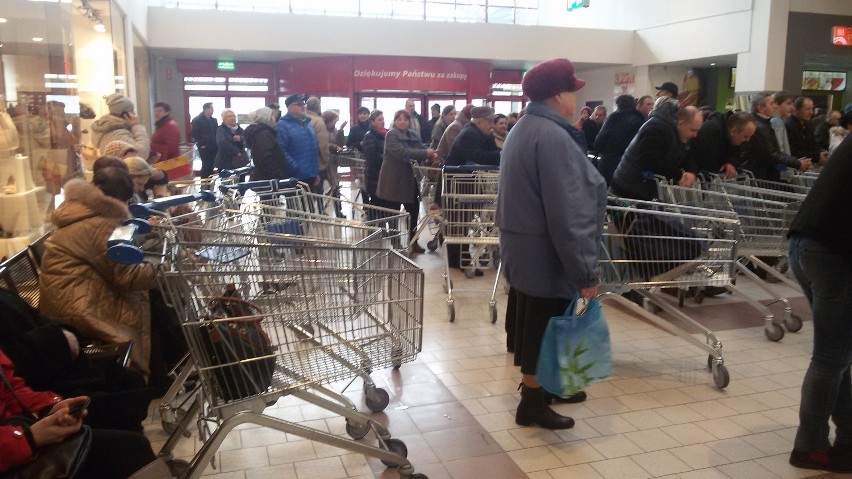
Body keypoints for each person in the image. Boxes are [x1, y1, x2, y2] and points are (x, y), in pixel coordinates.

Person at [496, 58, 606, 430]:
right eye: (572, 91)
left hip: (524, 246)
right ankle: (532, 403)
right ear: (558, 95)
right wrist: (584, 270)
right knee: (546, 323)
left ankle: (542, 390)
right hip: (547, 251)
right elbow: (568, 212)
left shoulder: (523, 128)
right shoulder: (554, 136)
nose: (576, 98)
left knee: (534, 319)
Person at [38, 167, 158, 380]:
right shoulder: (100, 223)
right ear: (119, 200)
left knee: (148, 297)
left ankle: (159, 372)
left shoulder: (81, 208)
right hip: (77, 306)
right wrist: (165, 268)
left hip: (69, 296)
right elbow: (127, 276)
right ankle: (151, 378)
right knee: (147, 299)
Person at [786, 133, 852, 474]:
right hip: (833, 254)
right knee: (831, 357)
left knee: (839, 355)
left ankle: (848, 441)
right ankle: (809, 447)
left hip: (805, 243)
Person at [0, 289, 151, 433]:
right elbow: (12, 366)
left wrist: (63, 333)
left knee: (130, 379)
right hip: (45, 383)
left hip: (57, 366)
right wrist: (58, 338)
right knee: (124, 408)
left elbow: (39, 319)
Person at [0, 349, 158, 478]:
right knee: (128, 450)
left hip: (18, 434)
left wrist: (49, 407)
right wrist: (28, 438)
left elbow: (10, 390)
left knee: (128, 385)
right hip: (13, 448)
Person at [444, 106, 502, 273]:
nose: (492, 125)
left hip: (466, 182)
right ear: (479, 121)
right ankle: (460, 261)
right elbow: (478, 156)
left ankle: (459, 260)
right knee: (459, 222)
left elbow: (491, 151)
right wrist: (502, 154)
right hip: (457, 183)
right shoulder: (469, 134)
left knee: (462, 221)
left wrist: (500, 153)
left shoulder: (481, 133)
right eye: (490, 121)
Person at [374, 110, 439, 254]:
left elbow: (420, 148)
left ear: (409, 122)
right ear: (395, 121)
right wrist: (425, 153)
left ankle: (413, 240)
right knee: (394, 215)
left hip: (410, 180)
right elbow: (401, 152)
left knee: (414, 212)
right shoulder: (391, 135)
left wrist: (432, 154)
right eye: (399, 119)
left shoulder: (413, 135)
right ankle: (396, 244)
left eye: (405, 119)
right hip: (393, 181)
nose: (402, 122)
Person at [610, 100, 701, 201]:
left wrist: (691, 171)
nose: (695, 135)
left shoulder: (682, 133)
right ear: (681, 123)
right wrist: (678, 176)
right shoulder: (656, 128)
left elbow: (687, 154)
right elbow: (650, 161)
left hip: (647, 191)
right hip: (627, 189)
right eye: (693, 130)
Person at [747, 91, 811, 181]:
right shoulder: (760, 127)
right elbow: (771, 155)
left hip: (763, 174)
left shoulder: (764, 123)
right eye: (772, 103)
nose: (775, 106)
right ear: (761, 108)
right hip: (762, 176)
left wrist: (796, 162)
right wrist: (797, 163)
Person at [594, 94, 645, 185]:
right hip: (629, 168)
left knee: (606, 197)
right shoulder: (640, 120)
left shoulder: (613, 118)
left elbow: (598, 143)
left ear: (618, 105)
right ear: (634, 105)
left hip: (608, 165)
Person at [691, 111, 756, 179]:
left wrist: (731, 163)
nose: (748, 140)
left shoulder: (735, 136)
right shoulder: (710, 132)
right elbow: (707, 164)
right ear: (733, 131)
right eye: (745, 136)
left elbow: (737, 154)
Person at [277, 94, 320, 193]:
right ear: (290, 107)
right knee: (296, 207)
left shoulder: (308, 124)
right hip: (295, 176)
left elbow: (313, 149)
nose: (303, 106)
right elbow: (281, 150)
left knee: (309, 206)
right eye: (299, 104)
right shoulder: (282, 125)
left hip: (311, 174)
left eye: (304, 104)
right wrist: (295, 167)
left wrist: (315, 172)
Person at [90, 93, 150, 160]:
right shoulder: (117, 133)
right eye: (132, 111)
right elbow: (141, 154)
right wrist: (137, 127)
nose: (134, 114)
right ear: (126, 115)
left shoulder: (108, 129)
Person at [244, 107, 286, 181]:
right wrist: (279, 176)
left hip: (262, 176)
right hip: (268, 179)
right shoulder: (263, 135)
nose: (275, 118)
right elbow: (265, 159)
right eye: (273, 116)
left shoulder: (260, 133)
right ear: (268, 118)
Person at [786, 97, 828, 167]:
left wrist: (821, 152)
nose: (811, 112)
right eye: (807, 109)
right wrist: (817, 156)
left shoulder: (808, 124)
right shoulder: (788, 125)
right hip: (795, 166)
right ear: (797, 109)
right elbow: (792, 151)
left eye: (812, 109)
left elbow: (812, 145)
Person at [360, 110, 386, 210]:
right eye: (379, 120)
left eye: (383, 119)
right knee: (377, 207)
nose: (382, 121)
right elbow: (373, 157)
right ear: (372, 122)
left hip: (384, 176)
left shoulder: (384, 134)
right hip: (374, 177)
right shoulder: (369, 136)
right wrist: (389, 158)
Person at [190, 102, 218, 177]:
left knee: (211, 165)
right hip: (204, 146)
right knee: (206, 165)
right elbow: (195, 133)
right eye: (212, 108)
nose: (213, 110)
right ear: (206, 109)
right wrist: (202, 144)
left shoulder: (213, 120)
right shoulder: (197, 120)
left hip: (214, 146)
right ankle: (204, 184)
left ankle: (210, 182)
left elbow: (216, 132)